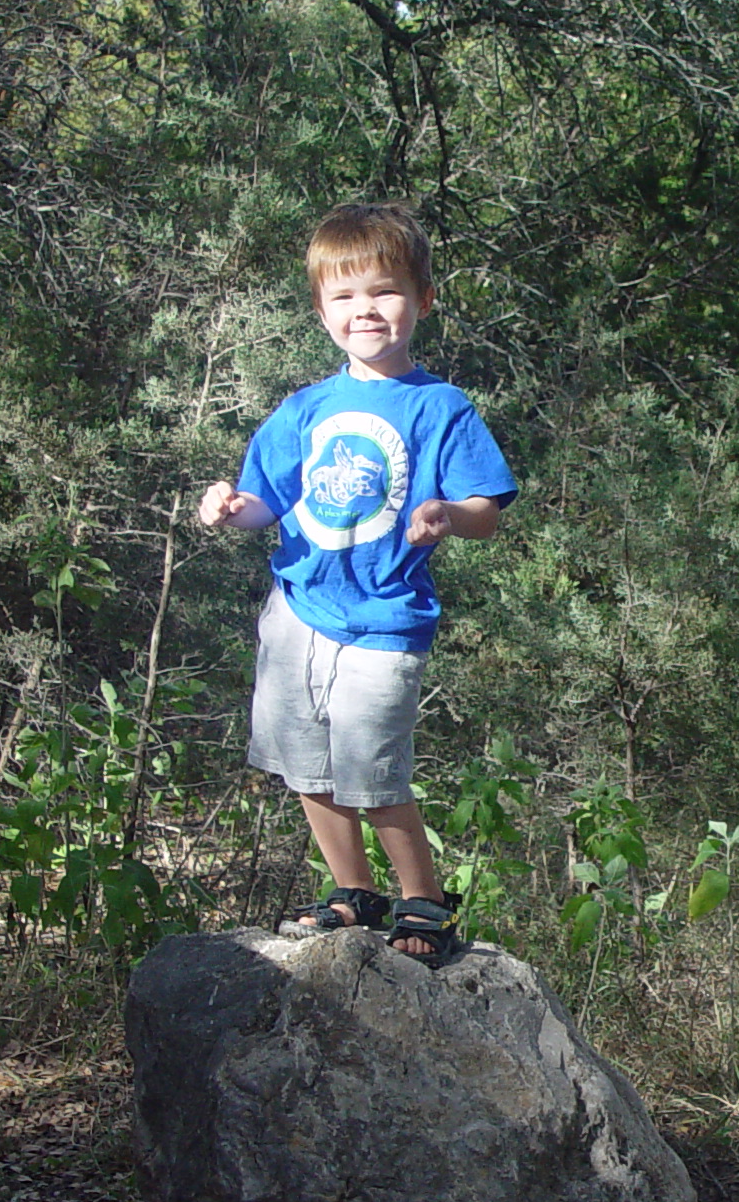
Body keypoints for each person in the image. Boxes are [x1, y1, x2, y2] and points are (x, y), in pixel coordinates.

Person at [198, 203, 517, 963]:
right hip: (299, 611)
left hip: (385, 617)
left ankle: (425, 903)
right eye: (343, 296)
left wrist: (447, 514)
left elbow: (487, 513)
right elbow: (265, 503)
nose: (364, 309)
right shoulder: (304, 409)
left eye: (384, 291)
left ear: (422, 301)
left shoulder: (441, 407)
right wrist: (230, 509)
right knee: (304, 760)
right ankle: (353, 893)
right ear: (320, 311)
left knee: (373, 768)